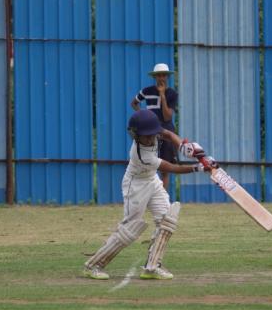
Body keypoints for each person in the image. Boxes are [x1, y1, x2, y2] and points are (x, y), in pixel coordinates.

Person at [83, 109, 215, 281]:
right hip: (135, 185)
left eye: (151, 135)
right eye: (145, 136)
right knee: (130, 229)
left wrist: (183, 145)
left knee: (167, 220)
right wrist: (197, 167)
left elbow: (167, 133)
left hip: (151, 180)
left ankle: (152, 267)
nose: (149, 138)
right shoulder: (140, 154)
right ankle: (93, 265)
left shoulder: (153, 131)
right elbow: (171, 168)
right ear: (136, 135)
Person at [131, 63, 179, 193]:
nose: (161, 78)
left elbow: (167, 117)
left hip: (166, 132)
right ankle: (149, 196)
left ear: (167, 77)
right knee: (148, 166)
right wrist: (143, 116)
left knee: (165, 170)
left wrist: (162, 95)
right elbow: (134, 103)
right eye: (159, 75)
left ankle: (162, 200)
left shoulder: (172, 94)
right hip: (149, 133)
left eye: (164, 75)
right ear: (155, 77)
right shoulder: (147, 91)